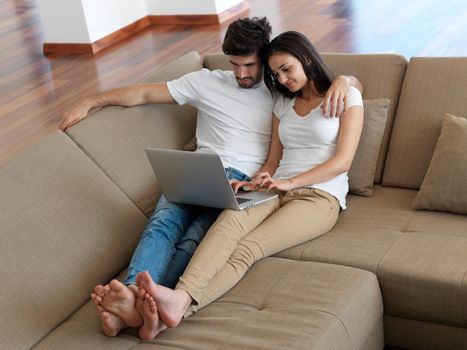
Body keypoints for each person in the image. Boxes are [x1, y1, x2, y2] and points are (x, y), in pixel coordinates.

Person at [59, 17, 362, 339]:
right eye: (236, 65)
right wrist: (92, 99)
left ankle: (166, 306)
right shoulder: (257, 94)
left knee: (221, 243)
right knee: (186, 225)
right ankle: (140, 300)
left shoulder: (305, 93)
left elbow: (341, 150)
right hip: (241, 180)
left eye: (255, 66)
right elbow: (147, 93)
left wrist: (348, 79)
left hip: (295, 189)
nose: (245, 74)